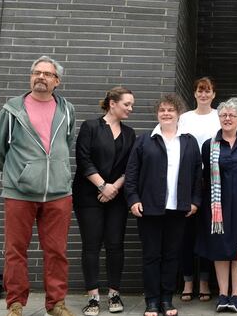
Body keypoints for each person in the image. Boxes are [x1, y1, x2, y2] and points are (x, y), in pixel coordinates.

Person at [0, 56, 76, 316]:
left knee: (57, 251)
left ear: (57, 81)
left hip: (59, 193)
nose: (41, 77)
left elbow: (66, 142)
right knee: (16, 250)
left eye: (47, 74)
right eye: (37, 72)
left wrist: (54, 171)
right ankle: (15, 303)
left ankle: (56, 304)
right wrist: (23, 174)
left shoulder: (68, 109)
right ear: (31, 77)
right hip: (20, 192)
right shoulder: (12, 109)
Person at [125, 93, 203, 316]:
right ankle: (151, 301)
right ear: (157, 114)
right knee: (151, 255)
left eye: (171, 110)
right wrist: (133, 199)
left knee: (171, 255)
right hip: (149, 208)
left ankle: (167, 300)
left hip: (178, 209)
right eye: (162, 110)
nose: (166, 113)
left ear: (179, 114)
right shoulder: (144, 140)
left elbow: (198, 175)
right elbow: (131, 174)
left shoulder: (189, 142)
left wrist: (195, 201)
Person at [73, 87, 136, 316]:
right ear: (112, 103)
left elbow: (131, 165)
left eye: (131, 105)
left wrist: (114, 188)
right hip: (89, 196)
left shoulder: (130, 134)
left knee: (115, 246)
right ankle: (92, 298)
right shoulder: (90, 126)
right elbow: (83, 159)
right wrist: (102, 185)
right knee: (91, 246)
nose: (131, 109)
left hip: (117, 198)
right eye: (127, 104)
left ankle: (114, 294)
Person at [197, 98, 237, 313]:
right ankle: (223, 294)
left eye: (231, 115)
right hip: (217, 207)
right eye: (223, 115)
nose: (227, 119)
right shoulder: (210, 145)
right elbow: (204, 176)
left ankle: (235, 295)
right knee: (219, 250)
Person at [178, 77, 220, 302]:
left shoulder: (219, 117)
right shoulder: (184, 119)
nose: (203, 95)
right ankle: (187, 282)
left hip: (212, 183)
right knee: (186, 234)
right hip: (186, 183)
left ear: (214, 94)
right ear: (194, 94)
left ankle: (204, 281)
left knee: (207, 233)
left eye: (208, 91)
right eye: (200, 91)